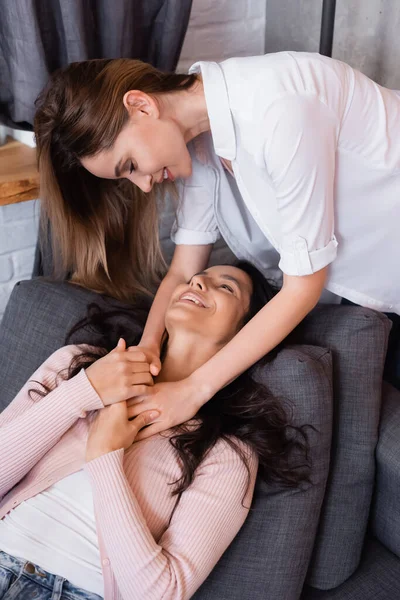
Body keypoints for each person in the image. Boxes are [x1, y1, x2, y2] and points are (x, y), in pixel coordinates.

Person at [33, 51, 400, 439]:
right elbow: (183, 269)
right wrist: (148, 349)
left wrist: (193, 391)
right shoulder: (200, 138)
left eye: (130, 165)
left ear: (140, 105)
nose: (142, 184)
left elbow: (302, 288)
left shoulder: (281, 110)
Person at [0, 263, 311, 600]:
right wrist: (82, 391)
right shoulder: (78, 364)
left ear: (249, 332)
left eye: (226, 287)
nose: (199, 281)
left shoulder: (225, 453)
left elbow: (162, 594)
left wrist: (105, 458)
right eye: (197, 277)